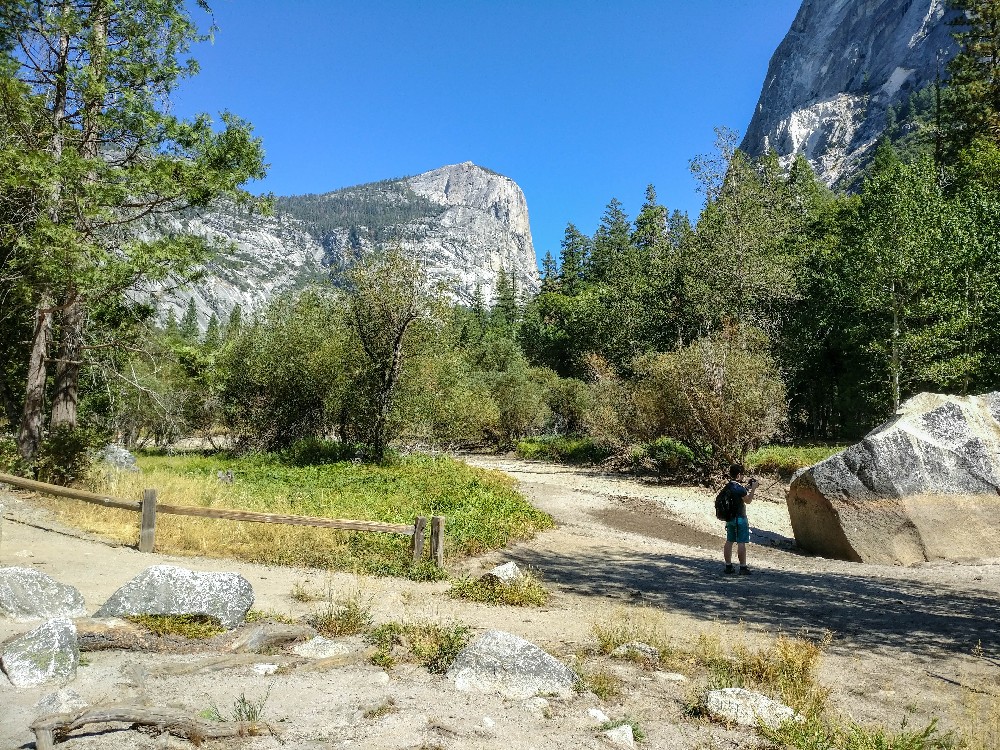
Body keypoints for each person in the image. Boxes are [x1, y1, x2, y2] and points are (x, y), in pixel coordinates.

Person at [722, 463, 758, 575]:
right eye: (742, 475)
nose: (743, 477)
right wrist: (753, 489)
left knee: (729, 541)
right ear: (738, 475)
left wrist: (747, 488)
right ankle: (743, 567)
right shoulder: (740, 488)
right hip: (740, 519)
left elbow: (738, 493)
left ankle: (728, 566)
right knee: (741, 542)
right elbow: (748, 500)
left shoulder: (728, 486)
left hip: (729, 519)